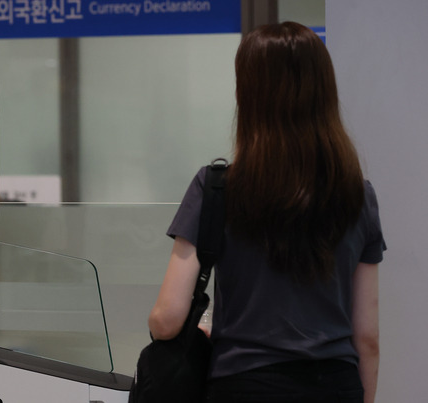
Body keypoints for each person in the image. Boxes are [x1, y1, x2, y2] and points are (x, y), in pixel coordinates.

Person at [148, 22, 385, 403]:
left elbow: (166, 319)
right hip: (335, 387)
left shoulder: (216, 187)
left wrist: (204, 332)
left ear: (248, 94)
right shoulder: (358, 196)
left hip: (242, 385)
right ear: (325, 92)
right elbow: (368, 338)